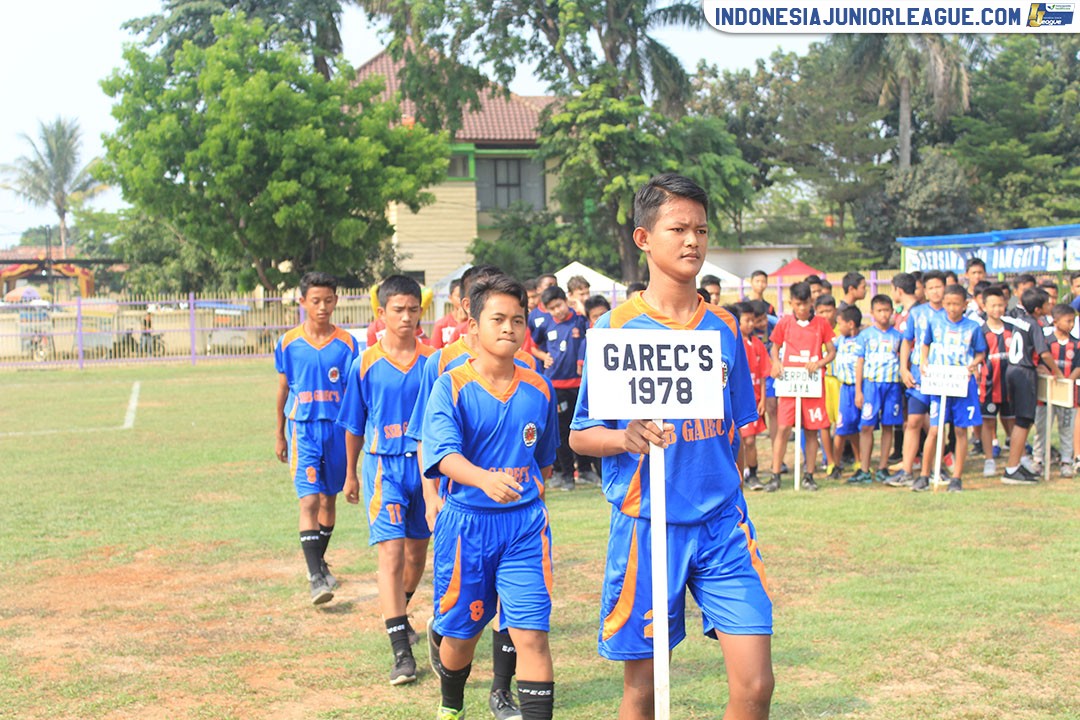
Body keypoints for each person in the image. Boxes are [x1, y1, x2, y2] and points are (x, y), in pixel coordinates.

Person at [569, 174, 773, 720]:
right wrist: (624, 436)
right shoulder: (614, 330)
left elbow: (735, 428)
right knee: (643, 690)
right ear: (643, 238)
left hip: (722, 525)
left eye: (701, 230)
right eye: (678, 229)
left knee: (756, 685)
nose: (692, 241)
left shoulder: (724, 328)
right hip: (647, 527)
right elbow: (580, 433)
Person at [423, 274, 559, 720]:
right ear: (473, 325)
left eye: (518, 320)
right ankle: (451, 704)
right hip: (467, 526)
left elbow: (544, 460)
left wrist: (524, 495)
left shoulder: (539, 388)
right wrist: (483, 479)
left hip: (524, 527)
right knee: (461, 636)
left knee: (531, 634)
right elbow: (443, 455)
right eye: (498, 319)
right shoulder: (451, 385)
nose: (509, 328)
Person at [338, 275, 435, 685]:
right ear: (381, 314)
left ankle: (400, 611)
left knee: (416, 555)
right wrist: (350, 474)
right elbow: (353, 425)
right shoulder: (364, 363)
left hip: (426, 470)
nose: (407, 317)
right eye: (398, 310)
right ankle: (401, 652)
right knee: (391, 554)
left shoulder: (434, 362)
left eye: (413, 309)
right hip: (384, 470)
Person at [274, 272, 360, 605]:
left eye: (328, 300)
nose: (322, 307)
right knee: (309, 500)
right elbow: (283, 388)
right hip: (304, 429)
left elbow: (353, 394)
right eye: (315, 301)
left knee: (328, 500)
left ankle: (319, 562)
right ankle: (315, 578)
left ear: (336, 301)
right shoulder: (289, 343)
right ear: (302, 302)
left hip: (336, 431)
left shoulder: (347, 344)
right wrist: (279, 433)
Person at [767, 281, 837, 492]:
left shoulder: (821, 324)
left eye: (805, 304)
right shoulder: (784, 323)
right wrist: (776, 362)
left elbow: (831, 351)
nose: (802, 308)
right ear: (791, 303)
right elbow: (774, 348)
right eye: (798, 304)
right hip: (789, 383)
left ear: (811, 302)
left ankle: (809, 475)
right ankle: (775, 475)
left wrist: (820, 363)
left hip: (812, 384)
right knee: (783, 428)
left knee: (812, 430)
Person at [915, 285, 986, 492]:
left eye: (956, 304)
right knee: (935, 429)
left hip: (962, 382)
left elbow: (981, 352)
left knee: (960, 430)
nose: (952, 308)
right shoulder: (935, 322)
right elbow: (925, 343)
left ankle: (957, 478)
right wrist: (924, 361)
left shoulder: (973, 327)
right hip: (939, 381)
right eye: (948, 304)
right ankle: (924, 475)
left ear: (965, 304)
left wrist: (974, 364)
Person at [885, 270, 946, 488]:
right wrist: (904, 368)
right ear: (924, 291)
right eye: (931, 288)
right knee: (913, 422)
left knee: (938, 425)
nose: (935, 291)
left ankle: (938, 468)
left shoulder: (951, 313)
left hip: (943, 378)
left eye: (939, 287)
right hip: (919, 377)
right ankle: (907, 470)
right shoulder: (917, 313)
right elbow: (906, 341)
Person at [531, 285, 591, 489]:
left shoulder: (579, 320)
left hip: (579, 383)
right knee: (562, 431)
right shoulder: (545, 324)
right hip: (556, 384)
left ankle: (586, 470)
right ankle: (566, 475)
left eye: (559, 305)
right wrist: (543, 357)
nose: (557, 311)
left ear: (566, 301)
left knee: (583, 426)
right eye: (552, 308)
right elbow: (533, 346)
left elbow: (590, 337)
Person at [1001, 287, 1062, 484]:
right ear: (1038, 309)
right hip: (1023, 374)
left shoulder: (1021, 320)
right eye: (1046, 304)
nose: (1050, 306)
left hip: (1013, 369)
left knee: (1022, 420)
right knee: (1023, 420)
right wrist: (1057, 371)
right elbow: (1044, 353)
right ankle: (1012, 468)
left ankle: (1017, 464)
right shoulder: (1035, 325)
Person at [853, 295, 903, 483]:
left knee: (888, 425)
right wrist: (859, 390)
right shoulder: (865, 336)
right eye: (879, 311)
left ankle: (883, 467)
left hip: (892, 385)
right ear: (872, 313)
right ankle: (864, 468)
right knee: (866, 426)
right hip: (871, 385)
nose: (883, 314)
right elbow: (859, 363)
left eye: (886, 310)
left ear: (892, 312)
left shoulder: (897, 336)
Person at [1032, 303, 1080, 477]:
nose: (1071, 325)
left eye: (1073, 321)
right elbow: (1039, 363)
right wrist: (1045, 373)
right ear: (1056, 321)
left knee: (1066, 427)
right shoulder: (1046, 342)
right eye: (1068, 321)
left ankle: (1066, 461)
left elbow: (1078, 366)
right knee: (1042, 427)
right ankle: (1038, 460)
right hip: (1046, 394)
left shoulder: (1076, 344)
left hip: (1068, 395)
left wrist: (1068, 381)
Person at [978, 286, 1014, 477]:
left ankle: (1018, 458)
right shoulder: (980, 331)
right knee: (988, 422)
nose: (997, 309)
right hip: (988, 386)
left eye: (1000, 305)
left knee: (1012, 422)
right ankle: (989, 459)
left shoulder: (1012, 329)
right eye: (993, 305)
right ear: (984, 306)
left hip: (1010, 385)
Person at [738, 302, 771, 491]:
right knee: (738, 441)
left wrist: (763, 400)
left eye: (753, 320)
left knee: (750, 441)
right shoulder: (733, 343)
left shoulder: (757, 344)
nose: (751, 324)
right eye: (747, 320)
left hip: (755, 401)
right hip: (739, 402)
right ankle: (739, 475)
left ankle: (753, 473)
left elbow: (763, 375)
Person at [831, 305, 863, 481]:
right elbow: (828, 348)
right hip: (845, 388)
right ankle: (836, 464)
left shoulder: (862, 340)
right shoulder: (840, 341)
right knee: (841, 427)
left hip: (859, 388)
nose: (838, 327)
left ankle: (860, 462)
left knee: (858, 428)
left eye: (840, 324)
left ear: (850, 324)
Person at [432, 279, 467, 349]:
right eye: (459, 296)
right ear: (450, 298)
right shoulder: (441, 325)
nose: (462, 300)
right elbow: (435, 352)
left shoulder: (474, 324)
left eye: (465, 296)